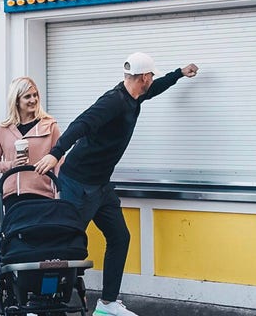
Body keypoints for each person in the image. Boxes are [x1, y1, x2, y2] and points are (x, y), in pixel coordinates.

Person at [34, 52, 199, 316]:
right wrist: (56, 153)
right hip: (78, 183)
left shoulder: (136, 95)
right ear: (143, 77)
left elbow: (156, 88)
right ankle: (39, 305)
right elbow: (81, 124)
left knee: (119, 237)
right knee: (65, 245)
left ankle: (107, 303)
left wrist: (179, 73)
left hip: (100, 185)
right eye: (151, 76)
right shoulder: (113, 101)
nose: (152, 80)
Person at [0, 77, 62, 211]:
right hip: (13, 197)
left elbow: (59, 163)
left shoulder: (50, 126)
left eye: (35, 95)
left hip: (43, 195)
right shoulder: (2, 130)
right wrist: (11, 165)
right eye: (27, 96)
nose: (33, 100)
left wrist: (59, 195)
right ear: (16, 100)